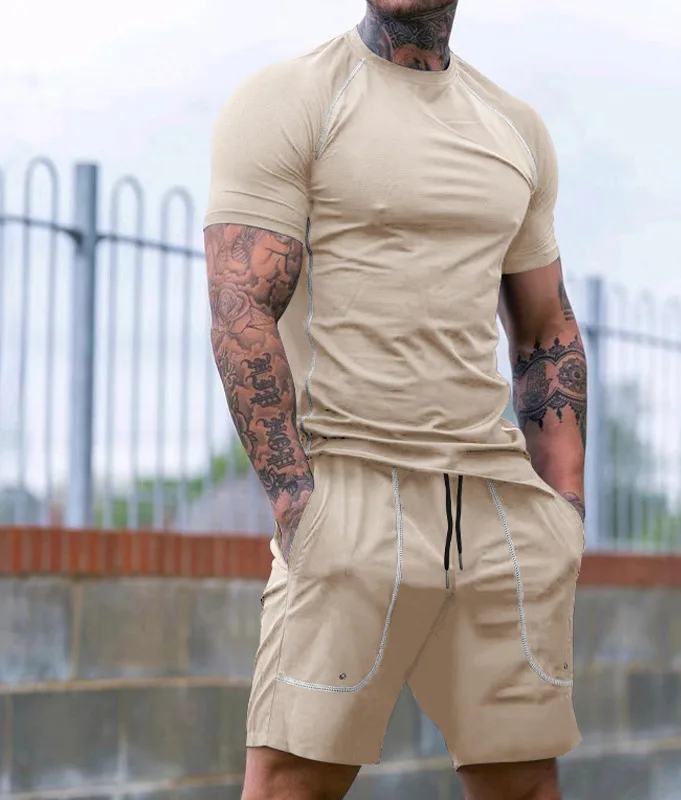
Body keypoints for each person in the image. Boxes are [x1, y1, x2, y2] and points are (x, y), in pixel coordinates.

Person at [203, 0, 587, 797]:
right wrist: (298, 505)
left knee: (523, 782)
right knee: (289, 782)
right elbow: (242, 310)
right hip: (352, 489)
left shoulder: (516, 129)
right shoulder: (292, 99)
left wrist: (564, 513)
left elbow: (545, 326)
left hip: (498, 508)